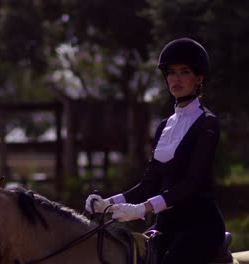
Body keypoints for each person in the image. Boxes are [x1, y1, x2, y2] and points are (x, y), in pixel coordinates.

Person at [85, 37, 227, 264]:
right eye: (171, 73)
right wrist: (107, 203)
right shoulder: (164, 125)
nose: (176, 79)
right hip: (165, 227)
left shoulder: (207, 124)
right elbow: (149, 184)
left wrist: (142, 208)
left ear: (199, 77)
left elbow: (192, 183)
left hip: (199, 226)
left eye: (184, 72)